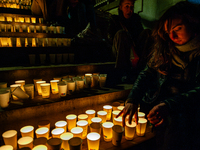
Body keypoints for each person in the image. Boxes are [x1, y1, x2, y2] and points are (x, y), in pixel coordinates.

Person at [117, 1, 200, 150]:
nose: (172, 36)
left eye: (178, 28)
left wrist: (169, 106)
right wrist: (132, 99)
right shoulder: (165, 49)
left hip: (186, 116)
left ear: (193, 24)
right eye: (168, 32)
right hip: (157, 107)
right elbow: (147, 73)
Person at [107, 0, 145, 83]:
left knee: (147, 33)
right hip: (118, 50)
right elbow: (110, 39)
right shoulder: (114, 19)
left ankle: (143, 70)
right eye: (126, 6)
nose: (129, 10)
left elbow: (140, 36)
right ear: (120, 7)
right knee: (121, 33)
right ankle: (122, 72)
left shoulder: (136, 19)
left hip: (134, 50)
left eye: (131, 7)